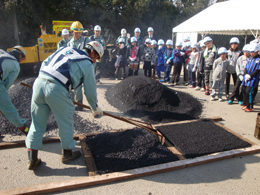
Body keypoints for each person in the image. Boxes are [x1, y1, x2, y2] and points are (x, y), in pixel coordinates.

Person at [25, 41, 104, 170]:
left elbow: (45, 63)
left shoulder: (65, 49)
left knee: (37, 122)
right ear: (93, 52)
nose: (95, 61)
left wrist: (44, 81)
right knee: (65, 121)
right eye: (96, 58)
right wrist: (94, 108)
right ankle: (67, 153)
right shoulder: (87, 62)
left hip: (39, 82)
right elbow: (90, 90)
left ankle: (32, 159)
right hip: (56, 88)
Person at [0, 46, 28, 136]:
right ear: (20, 55)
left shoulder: (1, 51)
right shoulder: (15, 64)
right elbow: (6, 85)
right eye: (22, 59)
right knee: (9, 109)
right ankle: (24, 128)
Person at [68, 21, 91, 110]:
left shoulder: (86, 41)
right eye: (76, 32)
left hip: (85, 68)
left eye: (80, 32)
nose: (78, 34)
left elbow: (91, 54)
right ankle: (79, 104)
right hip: (74, 69)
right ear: (72, 32)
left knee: (89, 87)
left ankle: (93, 105)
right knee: (76, 87)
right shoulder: (70, 43)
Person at [241, 43, 260, 112]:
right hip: (246, 78)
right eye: (251, 52)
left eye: (253, 52)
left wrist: (250, 75)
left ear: (257, 51)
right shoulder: (250, 59)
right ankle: (245, 104)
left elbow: (257, 70)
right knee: (244, 90)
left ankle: (250, 106)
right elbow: (246, 67)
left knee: (249, 92)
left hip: (253, 79)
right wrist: (245, 74)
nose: (252, 54)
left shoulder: (259, 59)